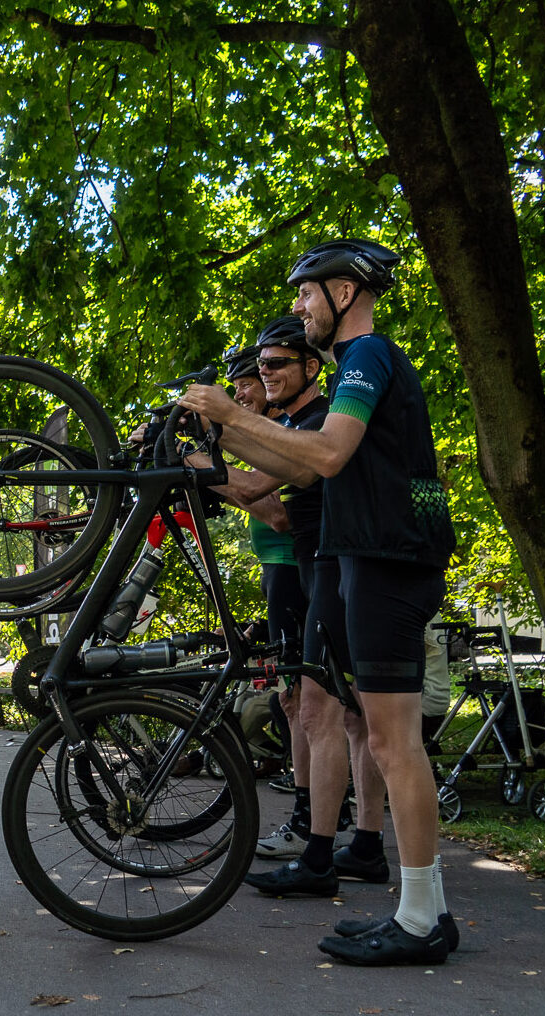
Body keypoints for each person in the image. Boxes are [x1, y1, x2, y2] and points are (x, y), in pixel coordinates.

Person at [179, 240, 458, 965]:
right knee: (382, 736)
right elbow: (287, 469)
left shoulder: (366, 358)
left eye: (306, 293)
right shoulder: (352, 368)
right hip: (370, 560)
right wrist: (218, 437)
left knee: (395, 742)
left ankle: (425, 919)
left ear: (343, 291)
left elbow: (326, 456)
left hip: (388, 561)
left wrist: (229, 420)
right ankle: (415, 906)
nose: (298, 306)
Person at [206, 317, 389, 898]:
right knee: (349, 716)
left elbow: (265, 490)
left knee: (318, 711)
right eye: (261, 367)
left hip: (330, 568)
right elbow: (259, 470)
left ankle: (318, 854)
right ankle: (363, 845)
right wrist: (211, 440)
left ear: (312, 367)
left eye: (277, 365)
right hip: (322, 567)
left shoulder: (316, 419)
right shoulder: (294, 421)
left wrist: (201, 455)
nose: (265, 376)